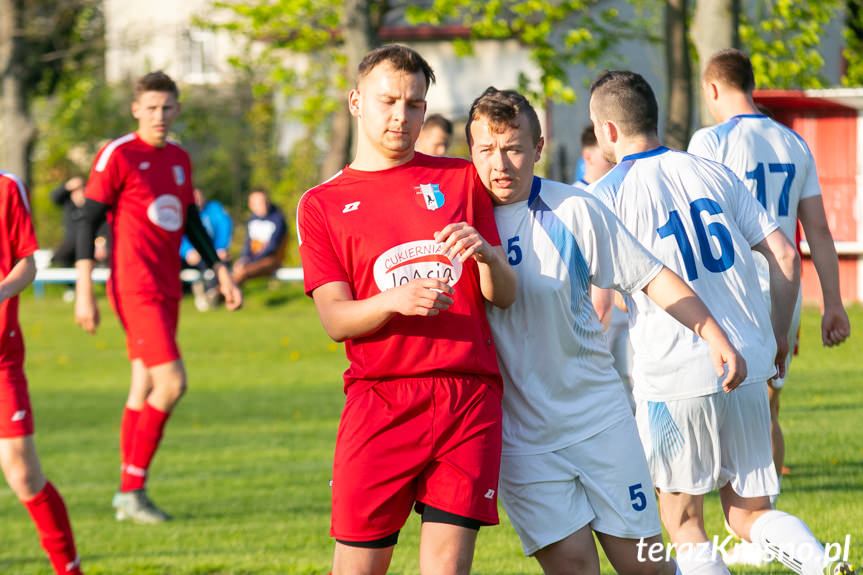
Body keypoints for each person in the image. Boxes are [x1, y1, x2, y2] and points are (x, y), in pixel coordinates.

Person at [467, 87, 746, 575]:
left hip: (600, 422)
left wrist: (711, 331)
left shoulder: (574, 208)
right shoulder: (457, 222)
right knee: (574, 568)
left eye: (513, 148)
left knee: (645, 569)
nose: (500, 164)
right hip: (523, 441)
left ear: (538, 148)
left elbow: (649, 274)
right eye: (486, 150)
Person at [589, 69, 855, 575]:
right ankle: (821, 566)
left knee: (685, 521)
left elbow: (603, 298)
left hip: (675, 376)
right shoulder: (711, 170)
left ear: (606, 130)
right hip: (749, 358)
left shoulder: (606, 196)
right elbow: (784, 253)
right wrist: (777, 337)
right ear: (655, 117)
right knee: (750, 513)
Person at [296, 44, 516, 575]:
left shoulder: (461, 179)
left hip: (468, 398)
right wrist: (394, 301)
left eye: (414, 104)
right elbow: (335, 320)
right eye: (388, 101)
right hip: (382, 402)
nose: (402, 116)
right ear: (355, 102)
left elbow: (505, 294)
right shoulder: (321, 204)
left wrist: (487, 255)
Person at [74, 71, 243, 524]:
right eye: (151, 108)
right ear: (136, 110)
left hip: (168, 285)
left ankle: (127, 492)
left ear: (177, 109)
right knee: (171, 383)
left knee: (144, 385)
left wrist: (221, 272)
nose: (160, 116)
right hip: (134, 285)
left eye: (167, 107)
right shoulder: (118, 154)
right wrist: (84, 292)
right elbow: (86, 221)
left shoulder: (180, 159)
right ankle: (132, 489)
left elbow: (190, 220)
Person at [688, 48, 851, 487]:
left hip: (731, 292)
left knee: (719, 412)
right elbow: (818, 231)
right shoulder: (793, 143)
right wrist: (833, 304)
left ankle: (743, 521)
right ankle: (764, 511)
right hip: (785, 290)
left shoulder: (709, 141)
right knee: (767, 408)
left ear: (713, 88)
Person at [0, 170, 84, 574]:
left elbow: (26, 264)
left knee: (23, 473)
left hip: (1, 357)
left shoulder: (6, 187)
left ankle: (69, 569)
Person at [180, 187, 232, 310]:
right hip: (189, 257)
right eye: (193, 197)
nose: (196, 200)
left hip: (211, 253)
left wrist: (220, 248)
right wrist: (187, 251)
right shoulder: (181, 211)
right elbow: (178, 234)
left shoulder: (214, 209)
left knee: (220, 262)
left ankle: (212, 292)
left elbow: (224, 227)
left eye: (198, 196)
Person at [50, 176, 109, 268]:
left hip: (90, 243)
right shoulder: (68, 204)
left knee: (103, 259)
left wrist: (101, 242)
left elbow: (103, 227)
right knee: (60, 258)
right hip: (71, 244)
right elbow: (55, 198)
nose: (78, 194)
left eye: (81, 190)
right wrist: (67, 186)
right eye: (75, 191)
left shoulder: (94, 207)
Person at [231, 189, 287, 286]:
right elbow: (248, 243)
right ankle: (219, 293)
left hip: (271, 259)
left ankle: (219, 294)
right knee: (238, 268)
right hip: (254, 260)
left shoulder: (278, 219)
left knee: (242, 272)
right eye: (257, 203)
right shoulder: (252, 220)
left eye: (263, 202)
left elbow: (272, 246)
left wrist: (250, 261)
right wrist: (244, 259)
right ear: (251, 205)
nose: (262, 206)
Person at [573, 125, 615, 191]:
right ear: (588, 157)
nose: (614, 160)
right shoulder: (575, 197)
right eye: (607, 154)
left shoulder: (620, 190)